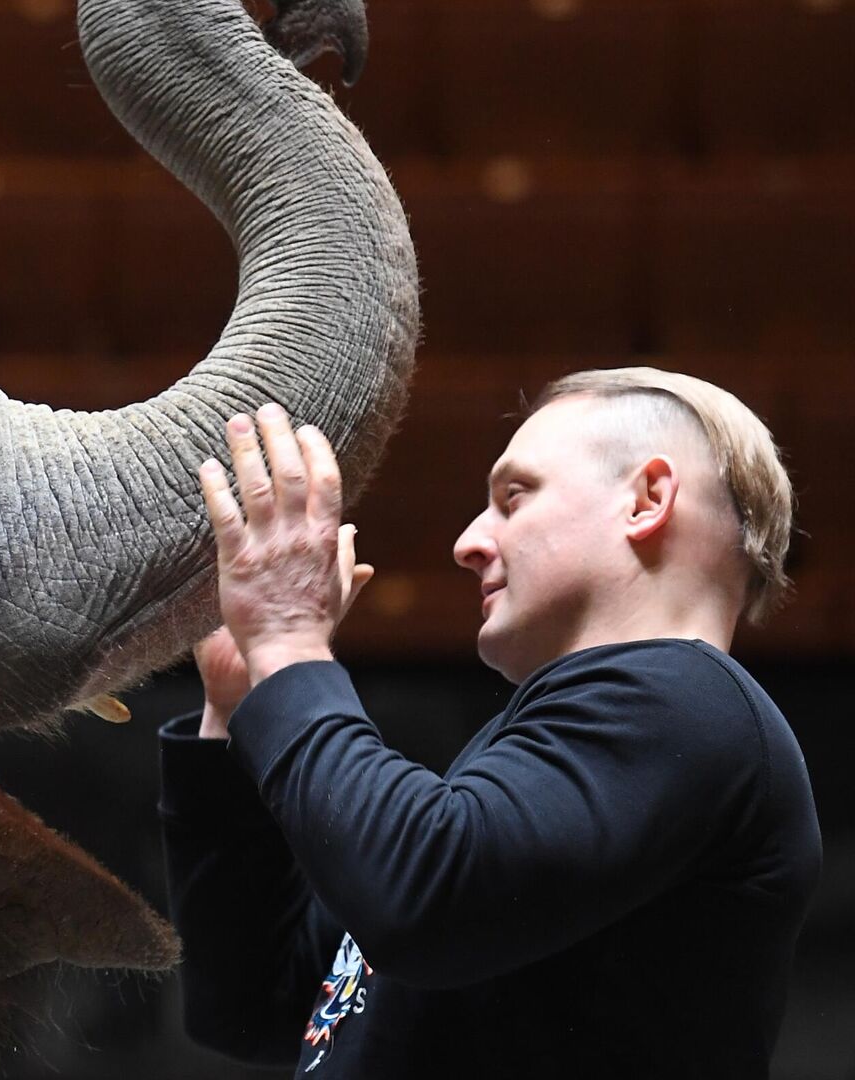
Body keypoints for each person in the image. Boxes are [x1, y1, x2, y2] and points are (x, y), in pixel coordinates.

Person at [158, 368, 822, 1077]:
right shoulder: (555, 765)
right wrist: (239, 700)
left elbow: (421, 901)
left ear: (646, 499)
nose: (468, 543)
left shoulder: (690, 703)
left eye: (514, 496)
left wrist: (290, 644)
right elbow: (253, 1000)